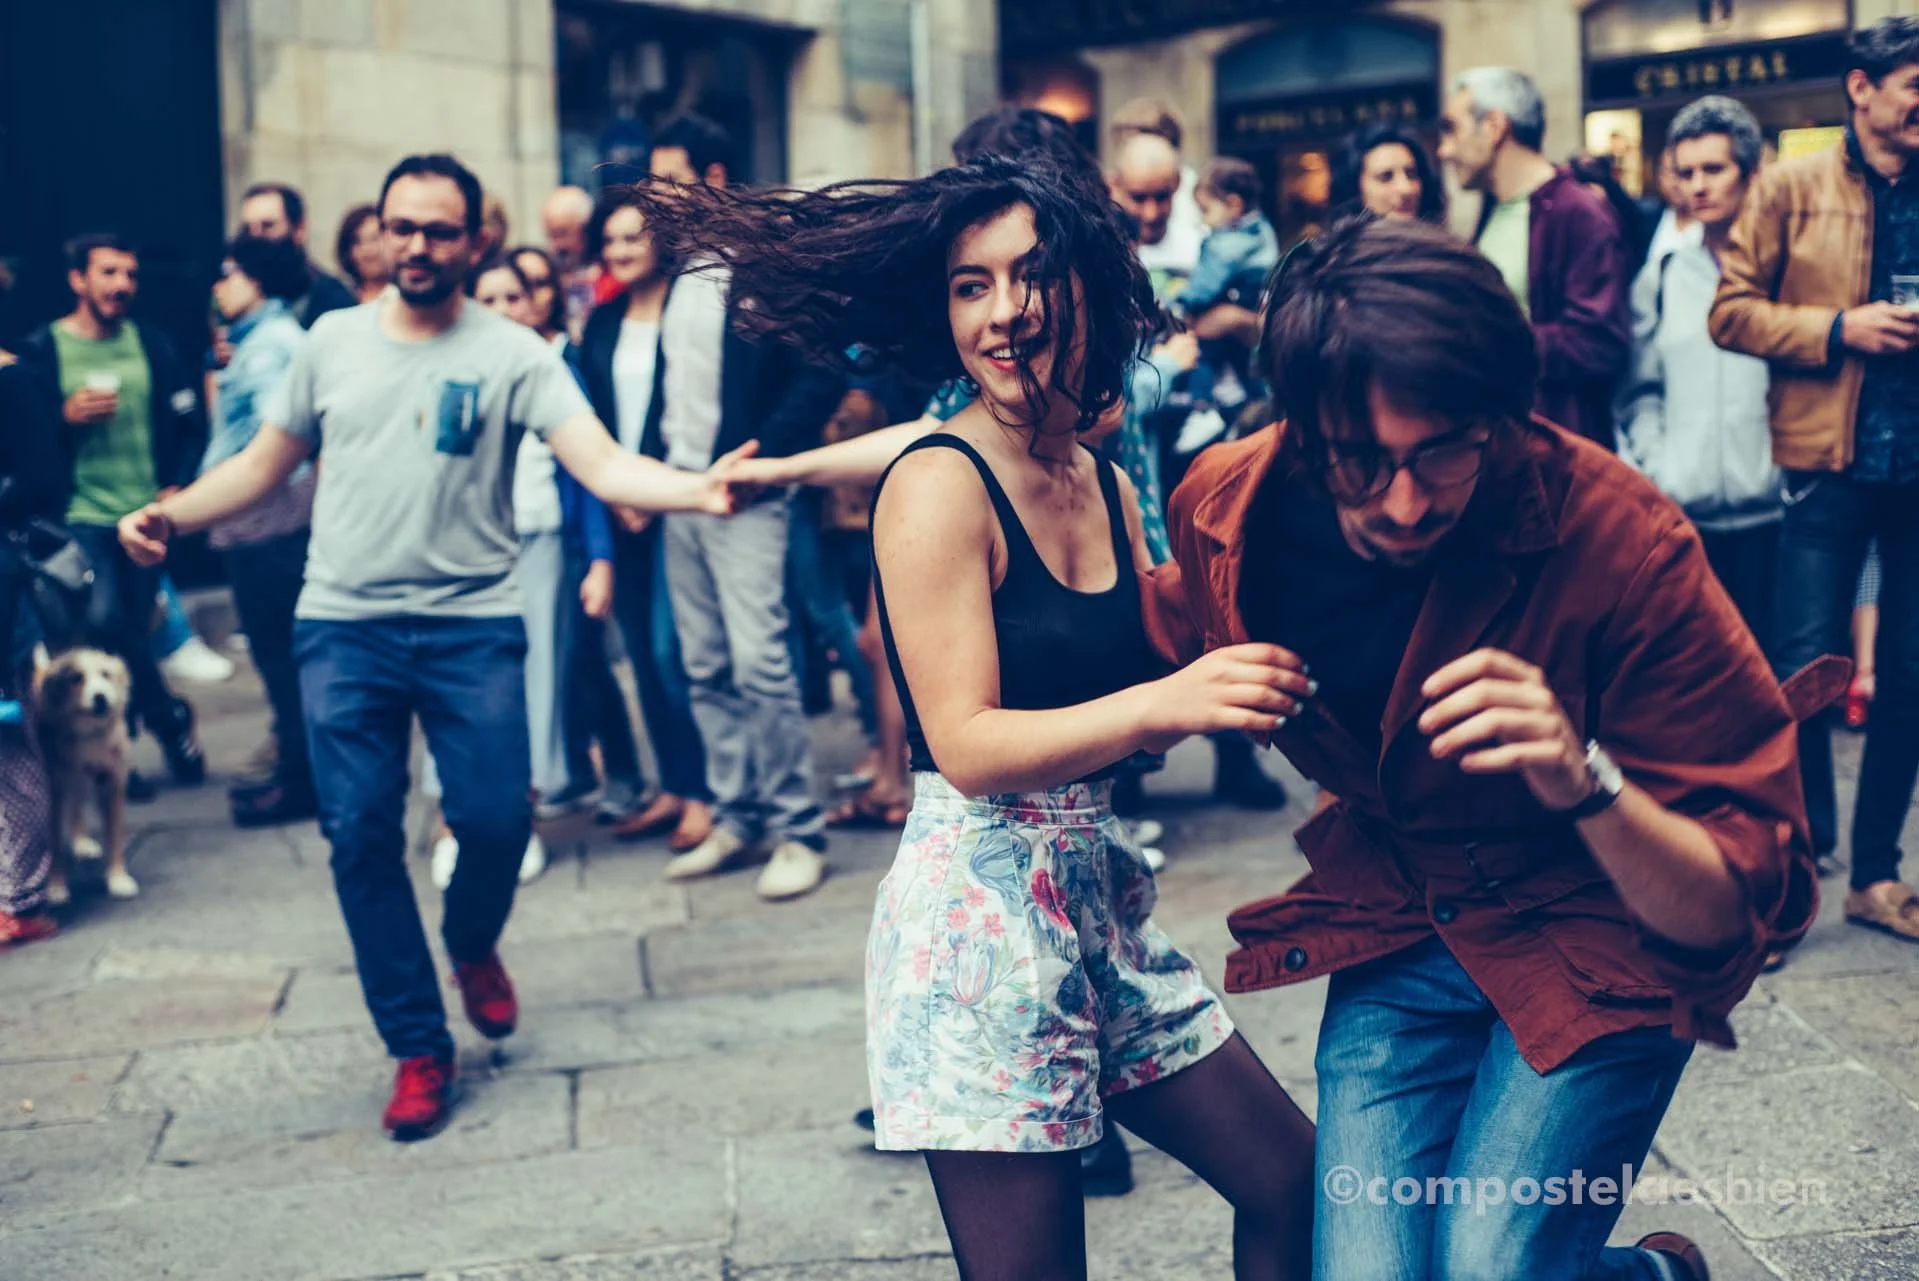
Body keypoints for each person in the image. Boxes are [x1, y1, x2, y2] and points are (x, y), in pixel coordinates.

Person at [630, 151, 1317, 1280]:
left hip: (1101, 903)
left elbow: (1146, 658)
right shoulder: (938, 481)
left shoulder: (1099, 478)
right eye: (970, 285)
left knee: (1290, 1182)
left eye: (1030, 275)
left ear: (1086, 283)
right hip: (977, 935)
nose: (1004, 311)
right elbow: (965, 744)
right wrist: (1165, 701)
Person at [1146, 213, 1819, 1281]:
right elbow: (1156, 621)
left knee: (1488, 1269)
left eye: (1442, 451)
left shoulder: (1627, 542)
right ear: (1299, 430)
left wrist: (1582, 779)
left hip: (1600, 927)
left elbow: (1732, 905)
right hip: (1405, 910)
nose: (1404, 502)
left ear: (1498, 418)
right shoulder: (1228, 507)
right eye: (1359, 462)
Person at [116, 153, 752, 1142]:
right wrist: (173, 515)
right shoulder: (329, 343)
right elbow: (262, 464)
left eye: (438, 231)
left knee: (495, 821)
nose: (417, 245)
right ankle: (417, 1044)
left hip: (471, 626)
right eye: (401, 227)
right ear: (380, 231)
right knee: (360, 833)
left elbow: (600, 462)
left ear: (473, 240)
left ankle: (469, 940)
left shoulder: (514, 354)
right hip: (344, 627)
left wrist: (696, 488)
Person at [1711, 16, 1919, 944]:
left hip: (1914, 469)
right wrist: (1840, 328)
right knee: (1800, 676)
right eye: (1914, 84)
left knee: (1910, 674)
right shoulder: (1789, 186)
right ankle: (1789, 883)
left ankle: (1874, 876)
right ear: (1860, 88)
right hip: (1820, 469)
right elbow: (1730, 312)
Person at [637, 113, 846, 902]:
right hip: (680, 493)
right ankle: (735, 816)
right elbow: (672, 387)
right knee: (703, 664)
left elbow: (821, 371)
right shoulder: (679, 270)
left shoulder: (767, 264)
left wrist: (765, 457)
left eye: (668, 179)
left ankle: (798, 829)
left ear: (714, 178)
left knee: (761, 663)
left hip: (744, 495)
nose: (654, 196)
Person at [14, 233, 207, 799]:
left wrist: (178, 483)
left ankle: (137, 737)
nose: (122, 284)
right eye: (109, 272)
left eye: (130, 274)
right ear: (78, 280)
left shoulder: (152, 345)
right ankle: (164, 724)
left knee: (128, 628)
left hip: (146, 514)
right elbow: (23, 438)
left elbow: (189, 423)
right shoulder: (44, 350)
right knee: (101, 621)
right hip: (79, 516)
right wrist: (62, 416)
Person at [573, 191, 715, 851]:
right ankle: (674, 787)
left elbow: (685, 409)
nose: (621, 250)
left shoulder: (686, 310)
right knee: (641, 656)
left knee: (670, 650)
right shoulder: (601, 322)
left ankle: (704, 794)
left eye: (633, 237)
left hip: (674, 499)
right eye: (610, 240)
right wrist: (615, 493)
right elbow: (591, 418)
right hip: (616, 506)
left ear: (660, 240)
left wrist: (652, 489)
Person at [1617, 96, 1779, 642]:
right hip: (1688, 524)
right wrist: (1663, 471)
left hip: (1779, 522)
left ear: (1751, 175)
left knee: (1785, 674)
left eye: (1714, 169)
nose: (1698, 186)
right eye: (1686, 173)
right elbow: (1640, 389)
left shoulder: (1787, 269)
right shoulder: (1661, 276)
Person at [512, 242, 646, 825]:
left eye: (532, 287)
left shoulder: (567, 360)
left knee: (584, 660)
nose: (518, 303)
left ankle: (623, 773)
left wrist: (599, 557)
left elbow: (589, 471)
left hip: (563, 539)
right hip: (512, 544)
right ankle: (567, 771)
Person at [1440, 66, 1632, 449]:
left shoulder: (1578, 212)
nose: (1444, 150)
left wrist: (1487, 338)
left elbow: (1599, 344)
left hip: (1555, 456)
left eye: (1452, 130)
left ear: (1494, 127)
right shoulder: (1492, 208)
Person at [205, 234, 319, 827]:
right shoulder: (259, 341)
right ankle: (299, 774)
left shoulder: (271, 346)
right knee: (281, 659)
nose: (218, 286)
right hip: (258, 527)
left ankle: (302, 781)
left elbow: (284, 449)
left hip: (268, 528)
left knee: (282, 660)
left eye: (228, 272)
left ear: (256, 278)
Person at [0, 301, 66, 948]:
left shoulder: (13, 380)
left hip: (3, 592)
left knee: (9, 742)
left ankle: (21, 899)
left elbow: (44, 479)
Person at [1171, 157, 1280, 451]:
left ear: (1233, 205)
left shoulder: (1226, 242)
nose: (1203, 220)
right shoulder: (1262, 229)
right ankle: (1257, 408)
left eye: (1206, 210)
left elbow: (1207, 282)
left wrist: (1182, 303)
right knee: (1246, 364)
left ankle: (1202, 408)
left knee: (1202, 350)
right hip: (1249, 299)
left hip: (1235, 297)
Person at [238, 182, 358, 328]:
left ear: (300, 229)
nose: (255, 236)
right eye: (247, 228)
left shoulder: (331, 299)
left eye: (268, 226)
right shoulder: (237, 298)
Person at [1110, 98, 1205, 282]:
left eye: (1162, 197)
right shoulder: (1100, 251)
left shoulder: (1202, 248)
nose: (1151, 214)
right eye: (1138, 198)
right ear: (1116, 185)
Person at [1330, 122, 1448, 223]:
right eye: (1385, 177)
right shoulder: (1343, 244)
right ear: (1354, 188)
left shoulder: (1440, 240)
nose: (1406, 189)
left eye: (1411, 174)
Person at [541, 185, 602, 338]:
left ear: (586, 229)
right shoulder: (546, 273)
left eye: (562, 233)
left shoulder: (611, 268)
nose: (556, 245)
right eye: (550, 235)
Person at [335, 203, 391, 304]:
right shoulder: (337, 297)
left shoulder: (406, 297)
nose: (367, 250)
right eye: (357, 242)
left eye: (374, 239)